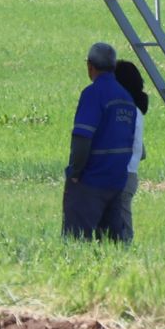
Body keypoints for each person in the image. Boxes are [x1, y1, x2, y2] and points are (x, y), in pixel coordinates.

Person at [62, 40, 139, 242]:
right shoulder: (126, 98)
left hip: (90, 181)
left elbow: (82, 137)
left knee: (76, 241)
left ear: (90, 66)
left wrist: (75, 172)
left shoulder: (93, 94)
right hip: (116, 181)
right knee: (110, 244)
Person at [109, 59, 149, 243]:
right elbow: (141, 153)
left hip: (121, 175)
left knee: (122, 231)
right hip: (129, 175)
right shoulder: (137, 113)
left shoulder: (125, 112)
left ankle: (124, 259)